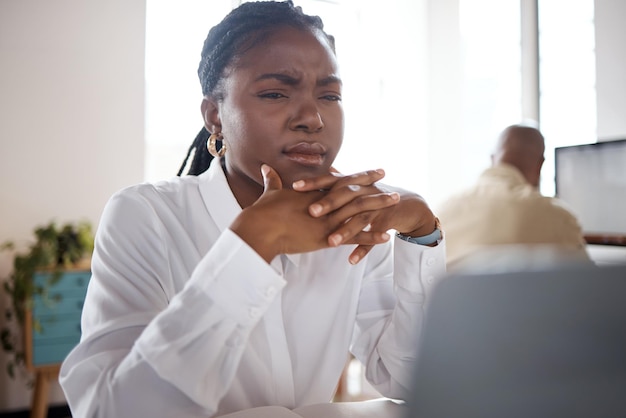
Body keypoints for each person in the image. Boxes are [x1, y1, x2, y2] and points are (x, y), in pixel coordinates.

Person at [59, 2, 446, 417]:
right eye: (276, 93)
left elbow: (416, 383)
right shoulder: (146, 216)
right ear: (215, 117)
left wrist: (422, 233)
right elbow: (113, 410)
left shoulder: (351, 223)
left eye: (330, 95)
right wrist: (253, 242)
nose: (313, 118)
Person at [436, 123, 590, 271]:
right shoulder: (555, 215)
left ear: (492, 159)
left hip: (450, 298)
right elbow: (589, 286)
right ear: (540, 165)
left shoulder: (443, 210)